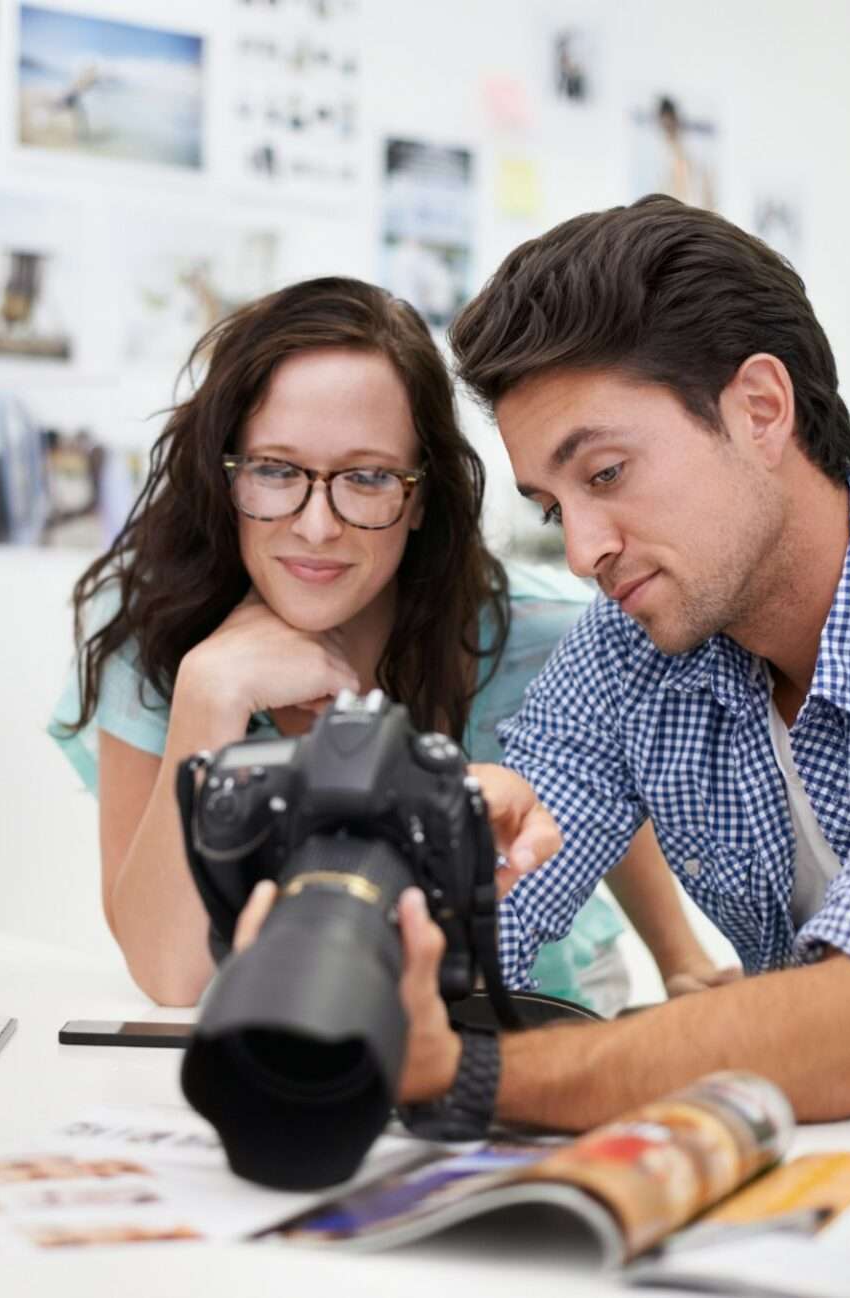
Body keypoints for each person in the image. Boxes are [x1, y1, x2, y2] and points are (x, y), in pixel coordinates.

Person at [243, 197, 850, 1153]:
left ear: (760, 409)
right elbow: (483, 925)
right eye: (555, 508)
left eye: (603, 474)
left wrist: (465, 1075)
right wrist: (401, 902)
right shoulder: (630, 648)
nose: (586, 550)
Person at [51, 276, 727, 1012]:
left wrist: (680, 958)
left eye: (368, 477)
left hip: (528, 1012)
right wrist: (209, 693)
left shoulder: (546, 633)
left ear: (420, 498)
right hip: (282, 1032)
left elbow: (599, 788)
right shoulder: (155, 628)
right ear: (227, 476)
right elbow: (168, 974)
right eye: (276, 470)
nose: (316, 525)